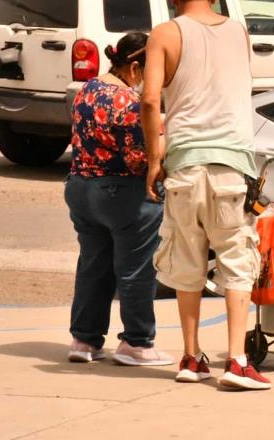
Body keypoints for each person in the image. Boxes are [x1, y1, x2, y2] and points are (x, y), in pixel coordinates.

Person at [141, 0, 270, 390]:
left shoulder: (166, 33)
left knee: (186, 259)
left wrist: (153, 158)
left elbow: (149, 100)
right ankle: (237, 360)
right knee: (236, 260)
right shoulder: (238, 31)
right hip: (232, 165)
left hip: (184, 165)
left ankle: (192, 357)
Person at [65, 32, 173, 367]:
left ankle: (84, 340)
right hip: (121, 194)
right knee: (135, 270)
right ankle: (136, 343)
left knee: (93, 266)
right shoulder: (128, 102)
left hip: (81, 188)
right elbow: (139, 161)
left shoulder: (88, 89)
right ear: (137, 66)